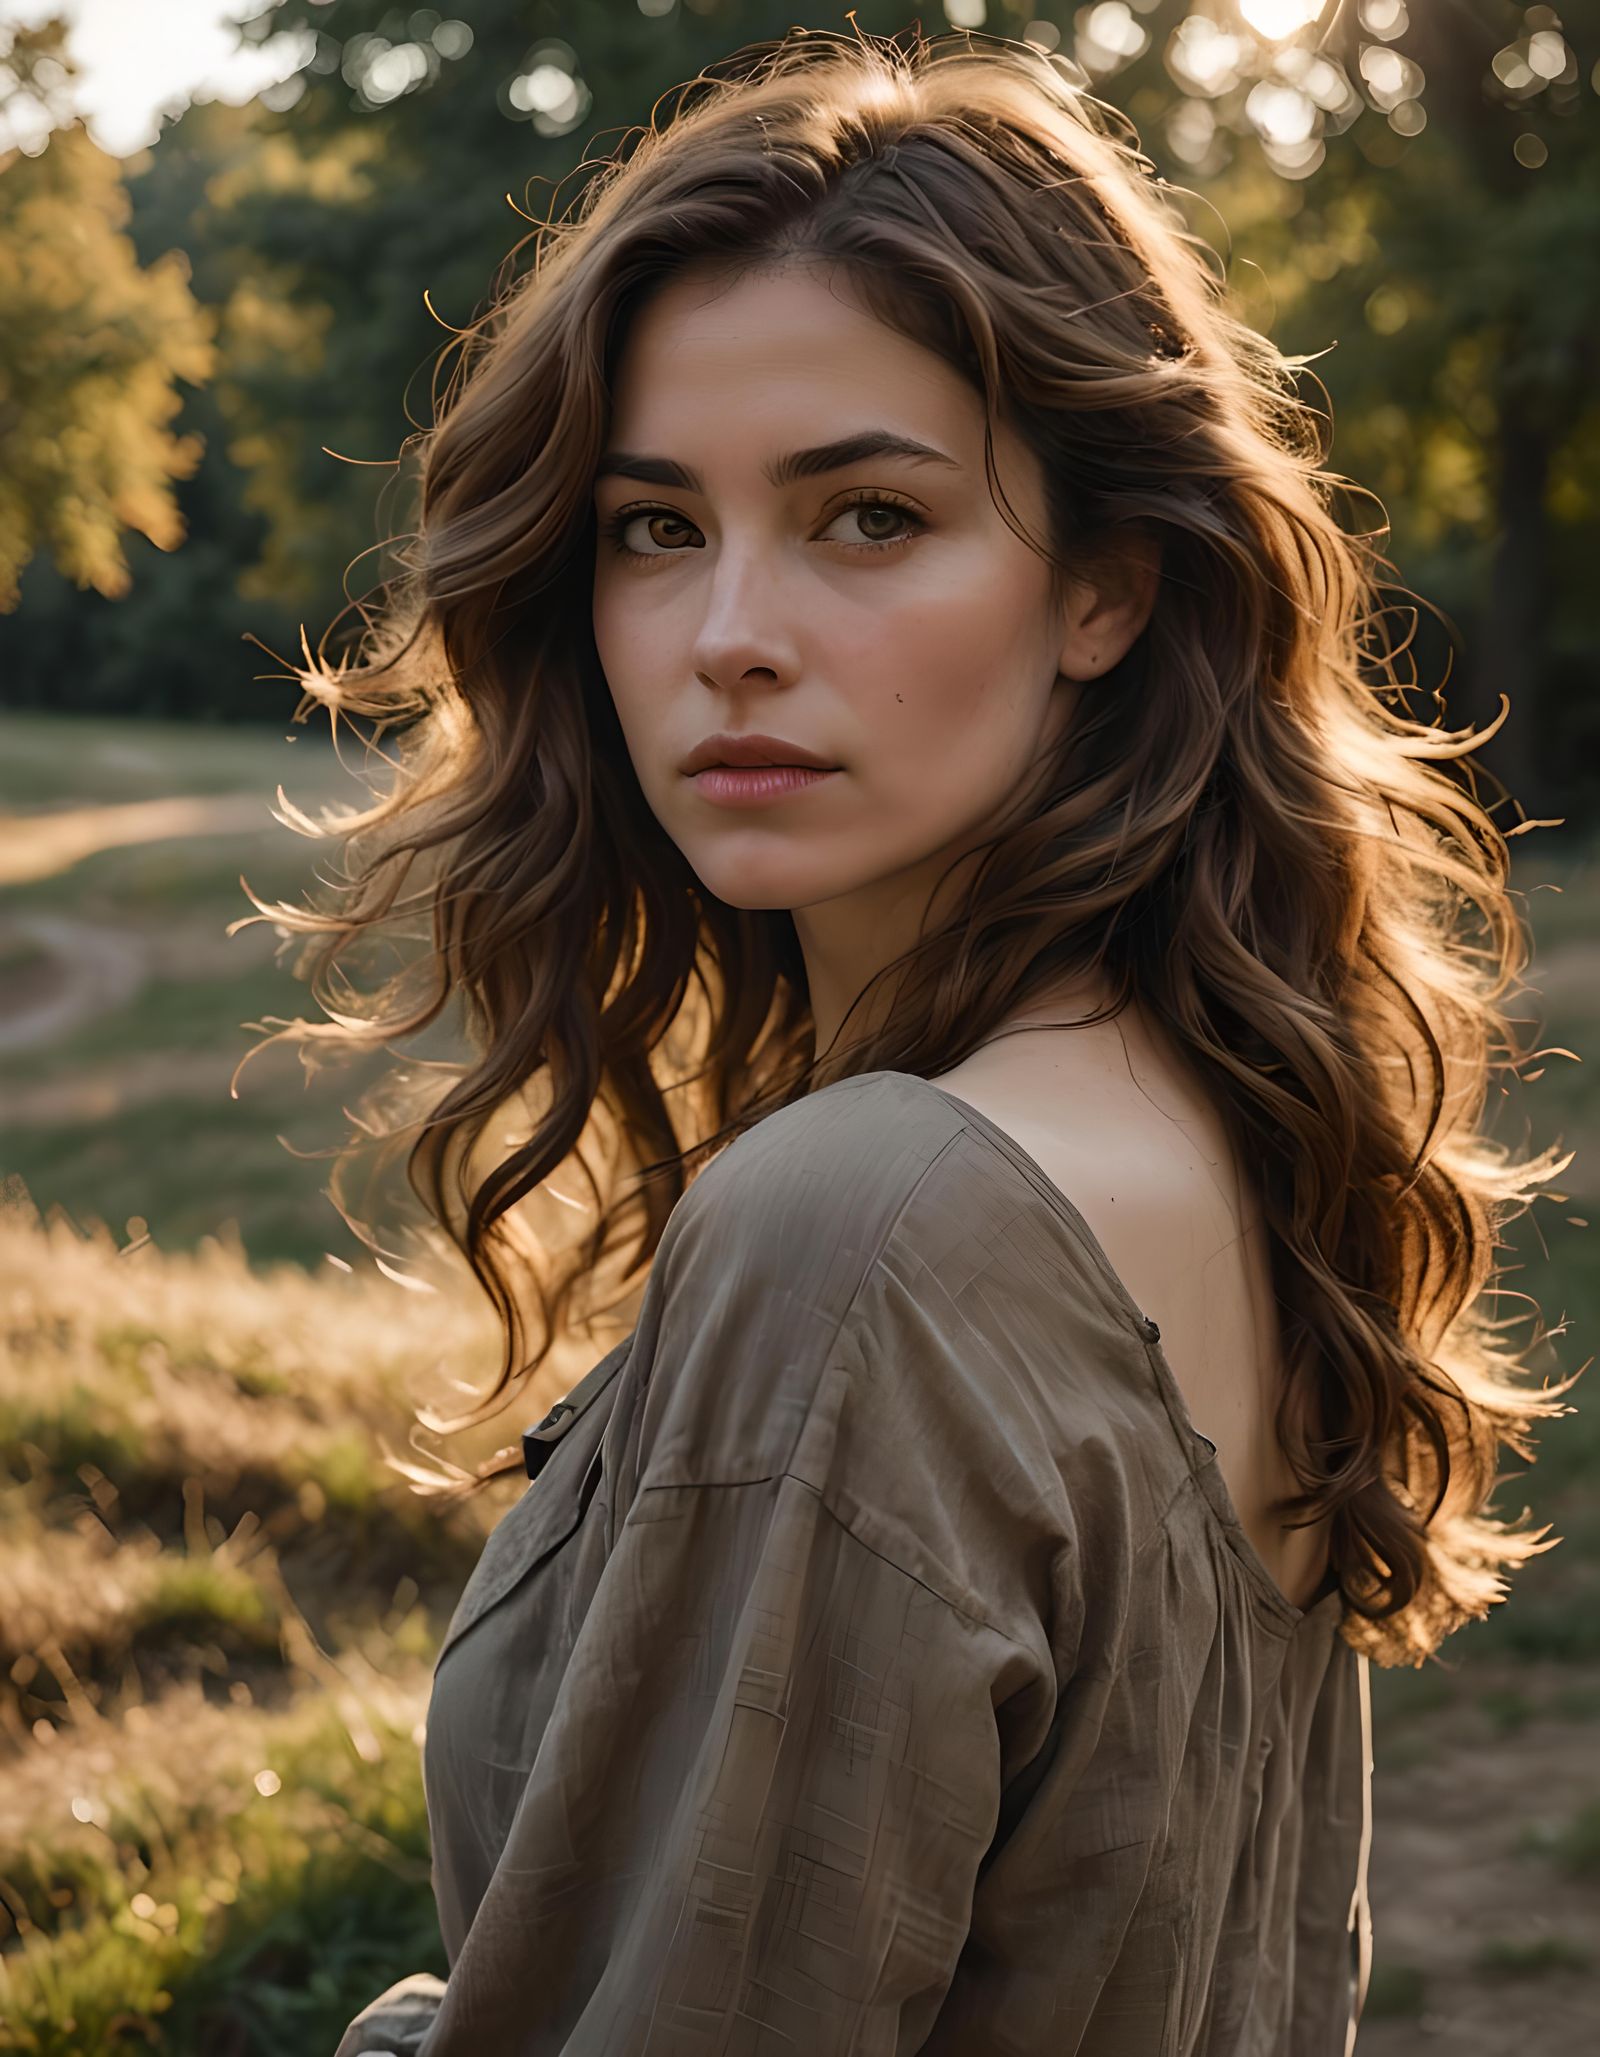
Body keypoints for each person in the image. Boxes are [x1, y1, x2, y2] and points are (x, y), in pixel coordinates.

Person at [258, 23, 1573, 2056]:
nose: (726, 636)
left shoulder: (875, 1225)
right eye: (651, 528)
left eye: (866, 518)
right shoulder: (1194, 1128)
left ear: (1104, 590)